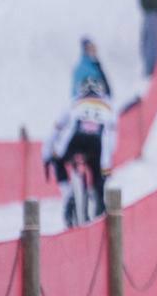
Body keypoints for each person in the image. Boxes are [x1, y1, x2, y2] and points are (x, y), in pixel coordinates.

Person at [42, 79, 118, 226]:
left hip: (74, 140)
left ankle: (68, 194)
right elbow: (111, 140)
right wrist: (106, 168)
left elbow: (56, 130)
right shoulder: (109, 106)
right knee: (99, 178)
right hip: (97, 143)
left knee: (57, 160)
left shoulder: (74, 102)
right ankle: (100, 208)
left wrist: (48, 155)